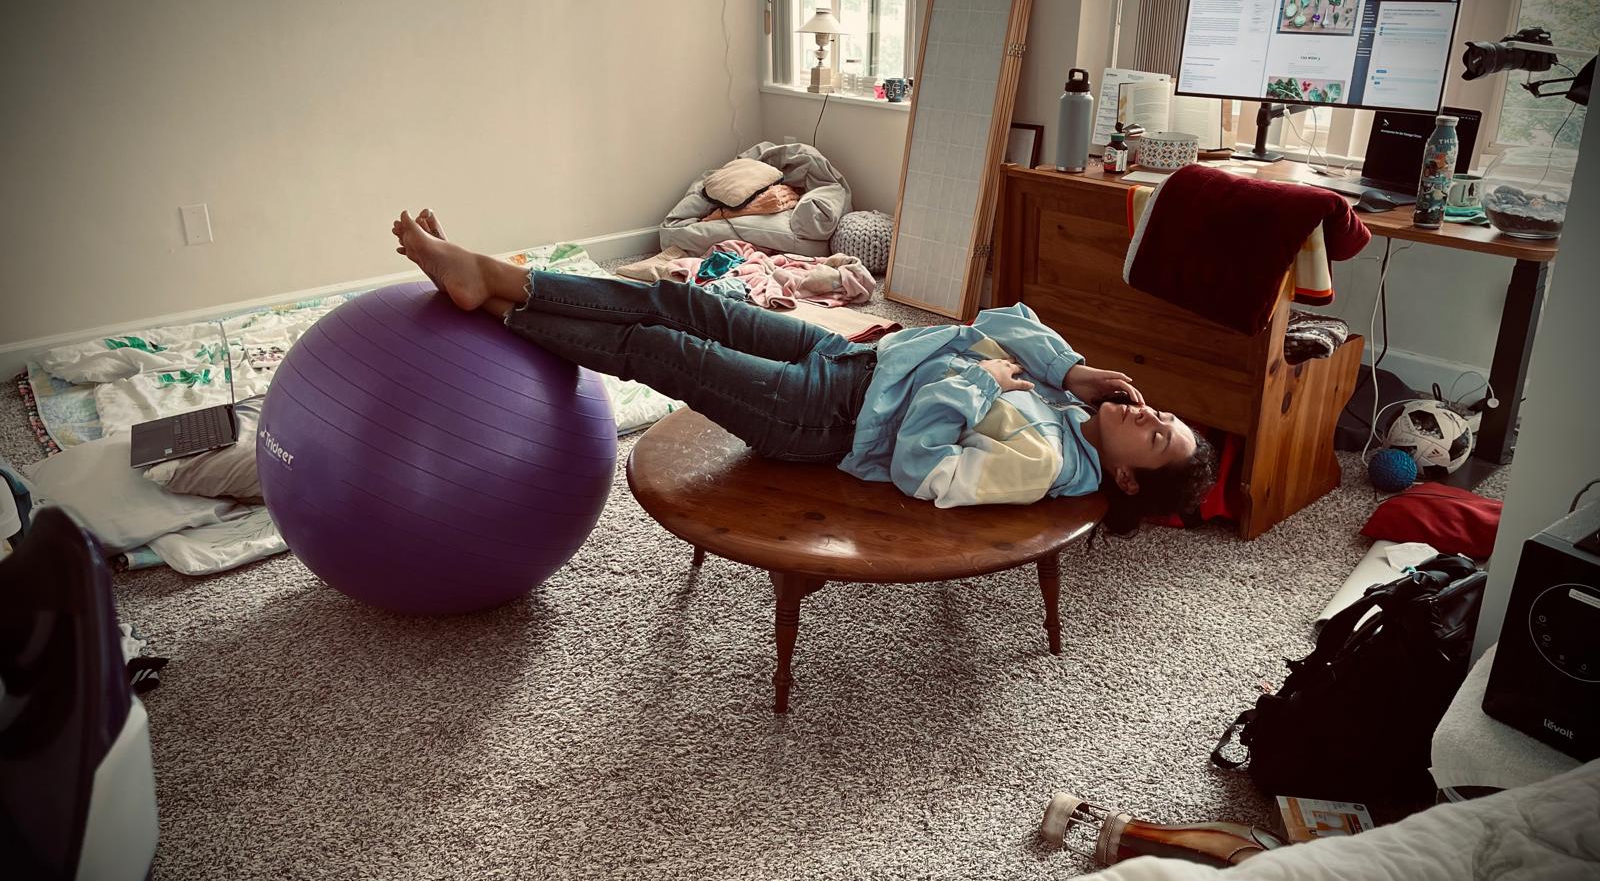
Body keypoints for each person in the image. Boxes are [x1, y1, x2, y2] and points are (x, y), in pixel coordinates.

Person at [391, 210, 1217, 533]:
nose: (1150, 417)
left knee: (659, 349)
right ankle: (496, 278)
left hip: (823, 420)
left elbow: (921, 469)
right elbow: (1000, 322)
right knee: (684, 300)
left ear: (1127, 480)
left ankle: (496, 301)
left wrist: (976, 384)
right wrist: (1073, 370)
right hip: (850, 358)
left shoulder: (1042, 461)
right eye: (1164, 416)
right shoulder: (1068, 402)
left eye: (1156, 440)